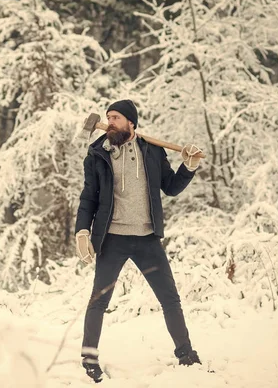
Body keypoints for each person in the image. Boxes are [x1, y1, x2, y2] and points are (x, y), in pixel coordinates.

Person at [74, 99, 203, 383]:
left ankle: (186, 354)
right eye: (107, 117)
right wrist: (82, 231)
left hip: (147, 240)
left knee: (170, 299)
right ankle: (89, 359)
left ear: (131, 122)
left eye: (116, 117)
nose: (110, 122)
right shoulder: (97, 154)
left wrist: (188, 168)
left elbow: (170, 188)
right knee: (99, 301)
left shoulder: (152, 150)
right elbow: (88, 197)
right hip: (112, 240)